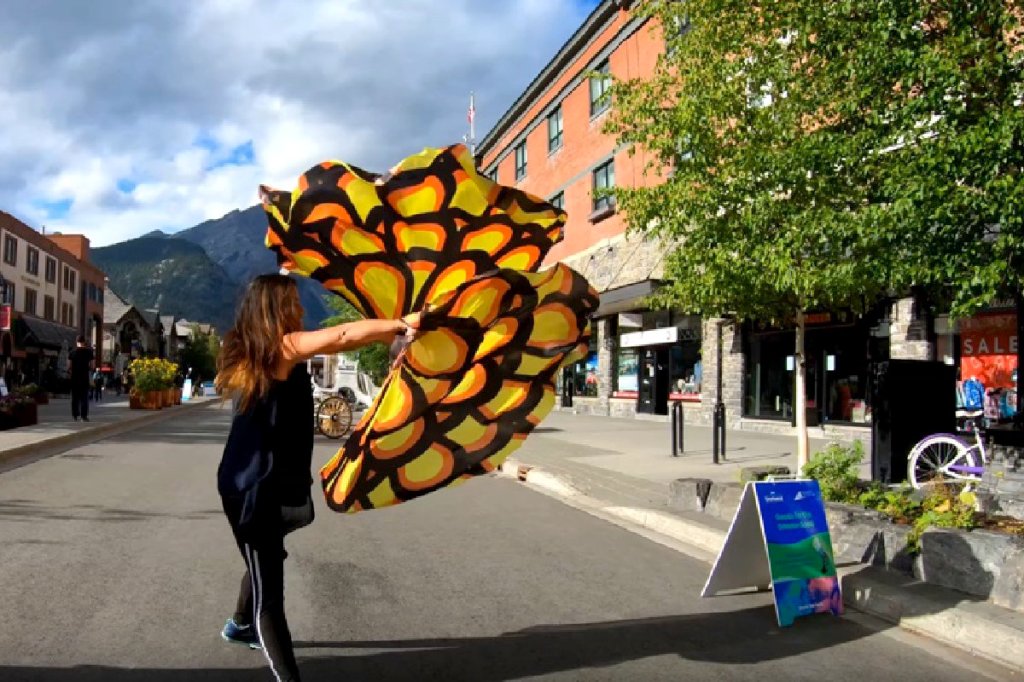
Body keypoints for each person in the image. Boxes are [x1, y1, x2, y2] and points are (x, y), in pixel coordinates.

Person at [214, 274, 418, 682]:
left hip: (264, 481)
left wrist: (392, 343)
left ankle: (238, 624)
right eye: (293, 302)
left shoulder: (259, 351)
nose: (302, 310)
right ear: (275, 310)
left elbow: (340, 340)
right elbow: (340, 335)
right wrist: (399, 323)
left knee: (264, 559)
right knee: (270, 594)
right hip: (252, 488)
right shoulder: (280, 348)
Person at [68, 335, 94, 421]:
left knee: (75, 398)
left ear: (77, 342)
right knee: (84, 398)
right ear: (84, 342)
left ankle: (75, 415)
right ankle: (84, 416)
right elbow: (92, 366)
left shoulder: (72, 352)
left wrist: (71, 372)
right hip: (84, 378)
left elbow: (69, 366)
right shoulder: (89, 352)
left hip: (75, 378)